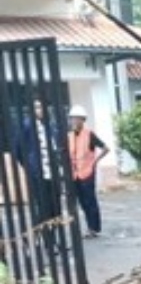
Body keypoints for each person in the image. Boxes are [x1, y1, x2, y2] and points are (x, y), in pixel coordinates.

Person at [16, 98, 63, 248]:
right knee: (43, 207)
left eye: (42, 107)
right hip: (38, 173)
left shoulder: (50, 125)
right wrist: (30, 166)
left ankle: (52, 238)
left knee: (55, 207)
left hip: (53, 172)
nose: (40, 110)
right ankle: (48, 242)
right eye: (36, 107)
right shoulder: (26, 125)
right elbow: (18, 149)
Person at [67, 104, 109, 238]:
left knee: (90, 201)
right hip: (75, 175)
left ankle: (94, 228)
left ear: (82, 120)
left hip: (87, 173)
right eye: (72, 119)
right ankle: (89, 227)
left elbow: (106, 148)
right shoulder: (69, 136)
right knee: (82, 202)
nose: (73, 121)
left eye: (76, 119)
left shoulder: (89, 134)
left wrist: (95, 161)